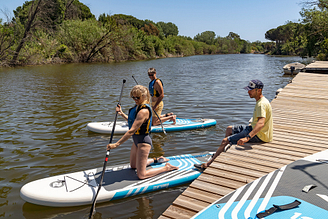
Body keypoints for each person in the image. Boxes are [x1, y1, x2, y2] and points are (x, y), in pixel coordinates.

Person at [195, 79, 273, 170]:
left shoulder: (261, 104)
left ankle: (208, 164)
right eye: (248, 90)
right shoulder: (261, 101)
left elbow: (260, 123)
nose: (248, 92)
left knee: (225, 140)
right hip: (253, 128)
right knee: (229, 129)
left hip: (260, 135)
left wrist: (247, 138)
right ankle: (222, 150)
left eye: (251, 90)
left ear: (258, 90)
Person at [107, 85, 178, 179]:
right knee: (133, 166)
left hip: (143, 143)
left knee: (141, 175)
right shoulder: (137, 107)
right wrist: (121, 113)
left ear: (144, 96)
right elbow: (133, 122)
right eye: (133, 97)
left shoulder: (144, 111)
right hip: (136, 141)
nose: (135, 99)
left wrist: (116, 144)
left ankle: (166, 168)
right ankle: (156, 160)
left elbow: (132, 130)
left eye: (137, 97)